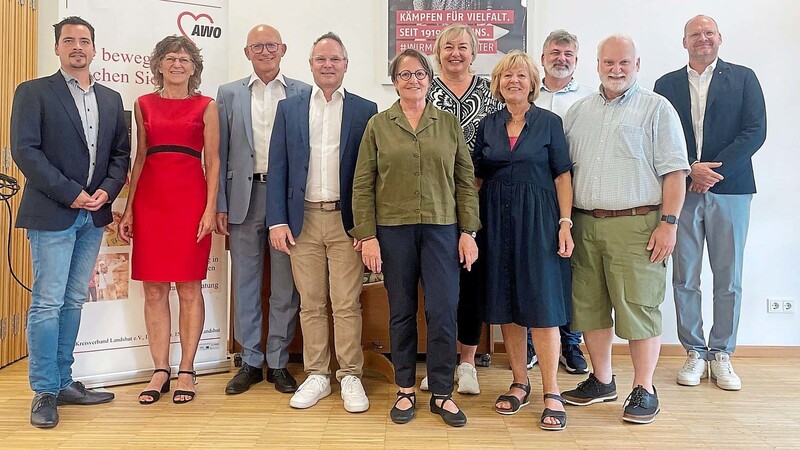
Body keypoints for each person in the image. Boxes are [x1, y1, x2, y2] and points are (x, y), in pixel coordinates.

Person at [560, 35, 689, 425]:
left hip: (638, 225)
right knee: (590, 307)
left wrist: (669, 224)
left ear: (637, 64)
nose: (616, 70)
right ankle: (601, 380)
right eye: (608, 63)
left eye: (624, 63)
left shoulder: (657, 109)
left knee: (639, 308)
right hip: (584, 223)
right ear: (596, 64)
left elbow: (675, 172)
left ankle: (645, 388)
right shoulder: (578, 112)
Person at [10, 16, 129, 428]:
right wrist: (70, 192)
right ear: (57, 48)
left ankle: (64, 381)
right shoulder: (33, 92)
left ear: (95, 49)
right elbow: (25, 151)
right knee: (47, 302)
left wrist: (106, 192)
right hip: (53, 211)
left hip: (93, 214)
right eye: (69, 40)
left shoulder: (113, 99)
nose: (77, 46)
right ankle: (44, 390)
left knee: (74, 300)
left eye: (84, 40)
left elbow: (120, 156)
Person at [351, 48, 480, 427]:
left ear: (429, 78)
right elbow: (363, 184)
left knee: (442, 310)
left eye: (419, 73)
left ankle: (442, 392)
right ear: (395, 82)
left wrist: (468, 231)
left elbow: (465, 182)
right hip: (393, 231)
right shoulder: (378, 125)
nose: (413, 80)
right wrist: (368, 236)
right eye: (404, 74)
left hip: (443, 229)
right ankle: (405, 388)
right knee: (401, 311)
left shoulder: (448, 123)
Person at [654, 15, 767, 391]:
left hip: (731, 189)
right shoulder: (665, 85)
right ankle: (694, 352)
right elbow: (659, 137)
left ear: (719, 38)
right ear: (683, 41)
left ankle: (722, 353)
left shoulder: (744, 78)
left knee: (728, 277)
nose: (702, 39)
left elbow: (755, 131)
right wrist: (690, 170)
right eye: (694, 34)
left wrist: (711, 171)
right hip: (681, 191)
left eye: (708, 33)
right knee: (685, 276)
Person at [268, 32, 378, 413]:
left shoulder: (366, 110)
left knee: (346, 304)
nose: (327, 65)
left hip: (346, 222)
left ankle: (349, 376)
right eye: (320, 59)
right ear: (310, 64)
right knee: (311, 304)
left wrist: (367, 228)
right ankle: (317, 375)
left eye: (335, 59)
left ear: (346, 64)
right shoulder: (291, 108)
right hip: (303, 222)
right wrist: (277, 220)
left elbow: (371, 175)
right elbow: (277, 166)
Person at [473, 50, 573, 431]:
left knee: (543, 304)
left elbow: (562, 176)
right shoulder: (489, 125)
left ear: (533, 83)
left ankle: (552, 391)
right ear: (497, 84)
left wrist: (565, 223)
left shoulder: (550, 123)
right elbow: (478, 178)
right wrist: (471, 227)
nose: (513, 81)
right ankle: (519, 381)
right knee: (507, 303)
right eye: (506, 76)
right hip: (496, 222)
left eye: (521, 75)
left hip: (540, 222)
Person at [118, 35, 220, 405]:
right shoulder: (142, 103)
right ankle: (160, 368)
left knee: (190, 287)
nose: (177, 64)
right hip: (151, 201)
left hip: (191, 201)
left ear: (194, 67)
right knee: (154, 289)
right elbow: (140, 157)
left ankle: (188, 369)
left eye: (185, 59)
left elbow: (215, 161)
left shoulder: (207, 106)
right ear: (158, 64)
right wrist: (129, 208)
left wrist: (210, 208)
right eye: (170, 58)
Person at [216, 24, 307, 396]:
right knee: (246, 283)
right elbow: (218, 152)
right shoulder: (227, 94)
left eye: (271, 45)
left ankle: (280, 362)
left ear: (283, 49)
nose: (265, 51)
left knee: (286, 286)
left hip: (285, 198)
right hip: (243, 196)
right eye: (257, 46)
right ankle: (251, 361)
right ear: (246, 51)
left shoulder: (303, 91)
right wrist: (219, 204)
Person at [422, 22, 502, 395]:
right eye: (448, 47)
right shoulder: (424, 89)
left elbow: (503, 143)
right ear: (438, 52)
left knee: (472, 282)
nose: (455, 53)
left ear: (474, 52)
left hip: (480, 201)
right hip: (431, 204)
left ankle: (467, 360)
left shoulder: (491, 93)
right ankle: (440, 361)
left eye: (463, 47)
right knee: (437, 288)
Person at [528, 29, 594, 375]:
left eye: (568, 54)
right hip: (531, 199)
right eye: (555, 52)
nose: (561, 59)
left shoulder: (588, 99)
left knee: (570, 274)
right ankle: (529, 345)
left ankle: (570, 344)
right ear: (542, 58)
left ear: (577, 60)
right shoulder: (526, 94)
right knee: (530, 270)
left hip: (573, 196)